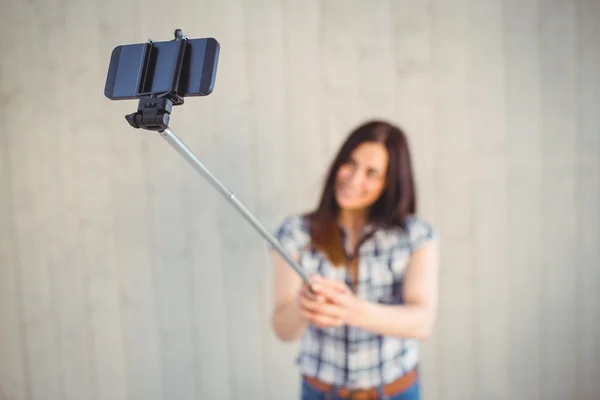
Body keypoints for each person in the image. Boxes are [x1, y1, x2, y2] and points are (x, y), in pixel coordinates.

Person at [269, 120, 440, 400]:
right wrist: (304, 307)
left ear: (390, 183)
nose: (354, 179)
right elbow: (282, 330)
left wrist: (352, 310)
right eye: (350, 162)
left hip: (396, 392)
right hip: (320, 392)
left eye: (372, 173)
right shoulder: (295, 233)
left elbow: (422, 323)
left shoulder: (417, 236)